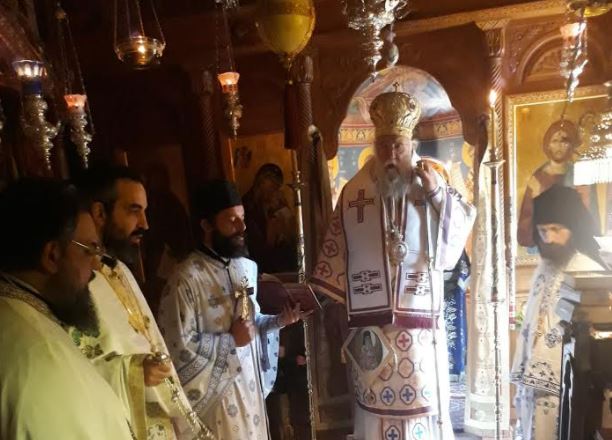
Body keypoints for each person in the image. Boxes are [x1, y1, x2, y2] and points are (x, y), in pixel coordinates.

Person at [310, 88, 476, 439]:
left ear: (411, 144)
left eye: (397, 145)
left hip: (419, 330)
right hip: (371, 329)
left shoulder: (432, 182)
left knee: (421, 406)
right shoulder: (354, 192)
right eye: (383, 145)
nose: (390, 154)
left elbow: (454, 245)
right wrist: (337, 307)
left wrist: (436, 194)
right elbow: (336, 253)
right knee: (374, 408)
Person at [158, 179, 303, 440]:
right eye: (231, 220)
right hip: (216, 400)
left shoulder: (246, 268)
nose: (242, 227)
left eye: (242, 218)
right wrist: (230, 341)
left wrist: (279, 321)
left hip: (250, 390)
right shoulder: (184, 279)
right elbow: (176, 347)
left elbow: (251, 325)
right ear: (207, 225)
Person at [70, 165, 202, 440]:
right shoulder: (72, 283)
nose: (145, 224)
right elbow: (71, 370)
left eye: (144, 211)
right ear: (99, 213)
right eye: (134, 210)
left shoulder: (118, 269)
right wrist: (133, 373)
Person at [0, 179, 134, 440]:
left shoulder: (14, 318)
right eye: (89, 250)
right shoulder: (42, 359)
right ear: (52, 256)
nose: (95, 266)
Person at [511, 185, 607, 440]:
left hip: (568, 384)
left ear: (574, 228)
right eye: (543, 231)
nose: (549, 238)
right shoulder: (546, 266)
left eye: (556, 229)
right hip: (535, 382)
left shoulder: (587, 271)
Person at [517, 119, 597, 247]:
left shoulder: (579, 174)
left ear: (571, 145)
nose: (559, 145)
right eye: (554, 141)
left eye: (564, 141)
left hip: (573, 241)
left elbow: (588, 213)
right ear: (548, 145)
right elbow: (527, 217)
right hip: (546, 241)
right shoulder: (538, 178)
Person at [242, 163, 297, 273]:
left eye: (276, 186)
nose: (275, 190)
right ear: (261, 181)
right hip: (258, 263)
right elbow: (257, 247)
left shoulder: (271, 203)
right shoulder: (248, 206)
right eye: (273, 184)